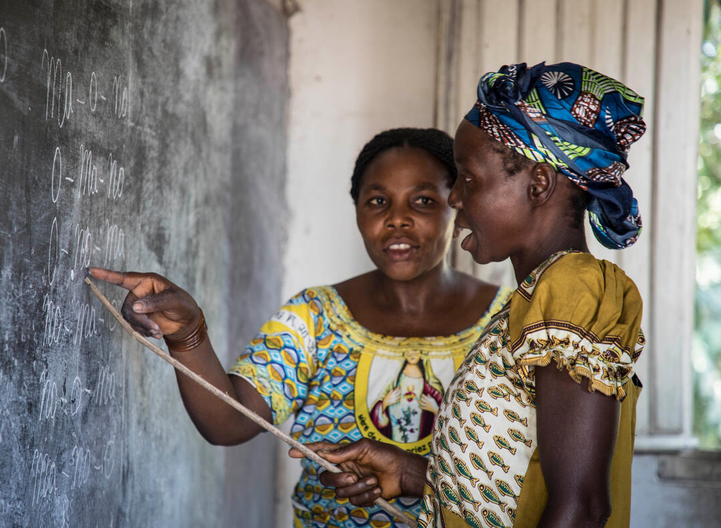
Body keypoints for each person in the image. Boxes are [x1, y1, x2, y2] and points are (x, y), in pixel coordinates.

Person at [89, 127, 512, 527]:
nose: (397, 219)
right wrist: (188, 334)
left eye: (422, 201)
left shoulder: (508, 322)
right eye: (378, 201)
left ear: (456, 205)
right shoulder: (316, 315)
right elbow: (228, 423)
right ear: (358, 212)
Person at [290, 62, 647, 528]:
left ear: (537, 184)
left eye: (469, 178)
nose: (455, 197)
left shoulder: (572, 287)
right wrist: (412, 472)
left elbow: (581, 507)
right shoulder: (530, 301)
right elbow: (512, 480)